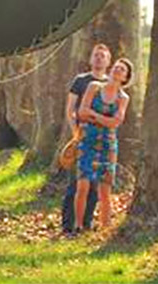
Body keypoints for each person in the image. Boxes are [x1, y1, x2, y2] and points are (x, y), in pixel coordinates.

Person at [72, 57, 132, 235]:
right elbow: (81, 112)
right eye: (115, 67)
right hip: (88, 141)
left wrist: (94, 116)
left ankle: (105, 230)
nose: (116, 70)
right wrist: (102, 119)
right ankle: (78, 226)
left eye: (122, 70)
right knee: (82, 185)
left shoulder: (123, 98)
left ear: (125, 78)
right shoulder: (94, 87)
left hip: (108, 145)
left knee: (105, 189)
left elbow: (116, 122)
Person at [61, 43, 111, 235]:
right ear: (90, 59)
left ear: (108, 61)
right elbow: (70, 109)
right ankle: (68, 225)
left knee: (95, 184)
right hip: (81, 137)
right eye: (96, 55)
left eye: (103, 56)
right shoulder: (80, 81)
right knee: (77, 183)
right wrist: (76, 133)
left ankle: (86, 223)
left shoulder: (110, 84)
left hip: (102, 140)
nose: (99, 58)